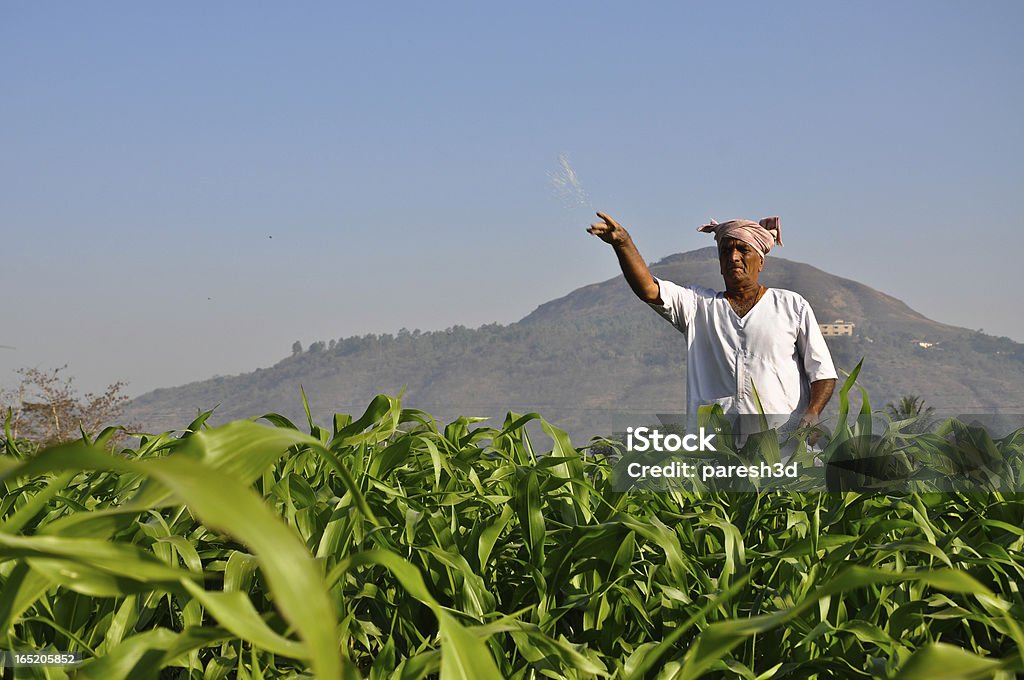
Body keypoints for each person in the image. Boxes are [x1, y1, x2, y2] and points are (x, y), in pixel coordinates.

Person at [587, 211, 837, 448]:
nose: (734, 257)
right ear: (719, 263)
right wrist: (623, 244)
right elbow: (649, 290)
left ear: (760, 261)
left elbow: (822, 371)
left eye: (743, 249)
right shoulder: (698, 306)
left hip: (781, 444)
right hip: (716, 449)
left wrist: (813, 412)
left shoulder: (791, 305)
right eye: (726, 251)